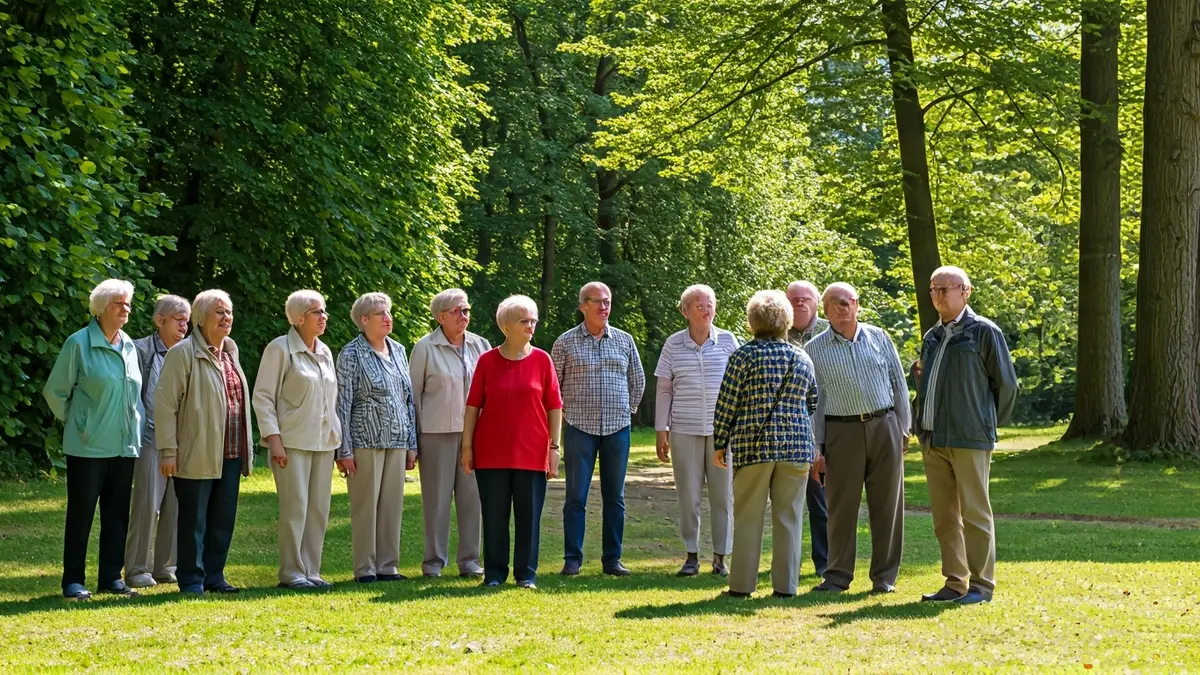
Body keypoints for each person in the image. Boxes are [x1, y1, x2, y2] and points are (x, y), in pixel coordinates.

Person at [914, 265, 1018, 605]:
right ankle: (955, 582)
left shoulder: (983, 332)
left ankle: (981, 586)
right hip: (933, 439)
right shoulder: (931, 336)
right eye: (934, 289)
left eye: (946, 289)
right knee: (944, 517)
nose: (939, 295)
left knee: (975, 513)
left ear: (966, 291)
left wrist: (985, 424)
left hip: (970, 438)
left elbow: (1006, 385)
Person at [805, 282, 911, 595]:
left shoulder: (879, 337)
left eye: (848, 301)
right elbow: (815, 404)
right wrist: (816, 448)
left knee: (887, 504)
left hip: (884, 424)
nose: (843, 307)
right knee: (840, 507)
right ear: (824, 309)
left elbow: (898, 383)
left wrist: (903, 427)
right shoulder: (813, 350)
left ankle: (884, 578)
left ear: (857, 304)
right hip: (841, 430)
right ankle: (837, 576)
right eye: (835, 303)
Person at [43, 279, 144, 601]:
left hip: (123, 446)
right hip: (87, 446)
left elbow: (134, 396)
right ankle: (73, 580)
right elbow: (55, 392)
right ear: (100, 309)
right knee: (81, 514)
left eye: (127, 303)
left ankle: (111, 578)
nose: (125, 309)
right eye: (119, 303)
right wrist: (79, 422)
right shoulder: (79, 344)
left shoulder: (128, 345)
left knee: (117, 516)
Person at [714, 290, 817, 598]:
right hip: (796, 446)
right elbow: (811, 401)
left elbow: (727, 403)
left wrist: (721, 441)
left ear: (752, 322)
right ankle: (786, 587)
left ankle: (742, 585)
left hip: (753, 446)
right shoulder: (801, 356)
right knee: (789, 518)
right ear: (786, 321)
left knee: (748, 516)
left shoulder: (743, 356)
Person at [461, 295, 563, 589]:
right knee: (494, 516)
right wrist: (467, 447)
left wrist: (554, 448)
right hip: (491, 451)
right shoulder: (486, 361)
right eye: (524, 321)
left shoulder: (543, 360)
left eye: (533, 320)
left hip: (532, 452)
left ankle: (526, 574)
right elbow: (472, 407)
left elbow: (555, 406)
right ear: (506, 327)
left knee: (529, 517)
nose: (531, 325)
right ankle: (494, 573)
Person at [156, 289, 252, 594]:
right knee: (193, 522)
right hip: (195, 452)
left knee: (222, 521)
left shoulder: (231, 353)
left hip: (231, 452)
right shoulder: (183, 353)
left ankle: (214, 576)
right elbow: (165, 405)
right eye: (219, 312)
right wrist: (168, 451)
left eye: (229, 312)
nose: (227, 318)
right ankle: (192, 579)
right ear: (200, 319)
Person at [552, 281, 646, 577]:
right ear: (582, 307)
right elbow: (553, 386)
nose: (604, 307)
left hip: (617, 428)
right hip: (579, 427)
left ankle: (612, 559)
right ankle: (572, 559)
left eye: (607, 301)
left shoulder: (624, 340)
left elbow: (638, 379)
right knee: (576, 496)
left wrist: (626, 410)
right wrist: (565, 414)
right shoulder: (565, 342)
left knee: (614, 497)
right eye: (597, 302)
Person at [253, 289, 341, 589]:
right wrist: (273, 438)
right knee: (296, 508)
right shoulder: (279, 349)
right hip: (291, 442)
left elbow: (330, 399)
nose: (324, 317)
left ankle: (311, 571)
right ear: (299, 318)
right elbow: (263, 397)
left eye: (324, 311)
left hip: (323, 442)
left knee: (319, 509)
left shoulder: (325, 351)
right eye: (318, 312)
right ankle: (291, 572)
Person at [654, 284, 738, 577]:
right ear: (685, 311)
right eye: (699, 305)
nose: (706, 310)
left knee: (722, 495)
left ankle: (720, 557)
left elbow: (739, 387)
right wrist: (661, 429)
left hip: (722, 433)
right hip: (684, 428)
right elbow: (664, 389)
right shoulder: (673, 344)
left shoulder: (728, 341)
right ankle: (691, 555)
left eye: (710, 304)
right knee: (688, 495)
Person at [336, 292, 418, 584]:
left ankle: (388, 566)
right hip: (363, 441)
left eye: (389, 312)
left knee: (391, 506)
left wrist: (411, 445)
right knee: (365, 507)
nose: (388, 318)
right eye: (381, 314)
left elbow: (407, 400)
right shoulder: (351, 353)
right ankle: (365, 568)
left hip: (396, 439)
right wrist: (343, 450)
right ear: (364, 320)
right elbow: (342, 403)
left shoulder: (398, 349)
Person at [409, 288, 489, 578]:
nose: (463, 316)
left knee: (472, 499)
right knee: (437, 500)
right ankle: (433, 562)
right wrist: (412, 440)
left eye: (466, 310)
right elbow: (412, 397)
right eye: (456, 311)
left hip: (474, 434)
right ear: (440, 317)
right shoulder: (425, 347)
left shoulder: (481, 345)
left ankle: (469, 560)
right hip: (436, 433)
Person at [124, 294, 190, 589]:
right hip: (150, 438)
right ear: (159, 320)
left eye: (187, 320)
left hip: (185, 441)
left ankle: (166, 565)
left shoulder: (190, 352)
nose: (184, 326)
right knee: (148, 503)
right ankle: (137, 567)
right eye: (178, 319)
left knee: (176, 504)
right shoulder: (139, 351)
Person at [785, 280, 830, 579]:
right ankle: (788, 562)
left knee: (821, 501)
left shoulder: (831, 330)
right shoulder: (776, 331)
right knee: (787, 502)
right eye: (794, 299)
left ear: (816, 302)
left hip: (828, 423)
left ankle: (825, 562)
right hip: (787, 429)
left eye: (806, 299)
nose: (800, 303)